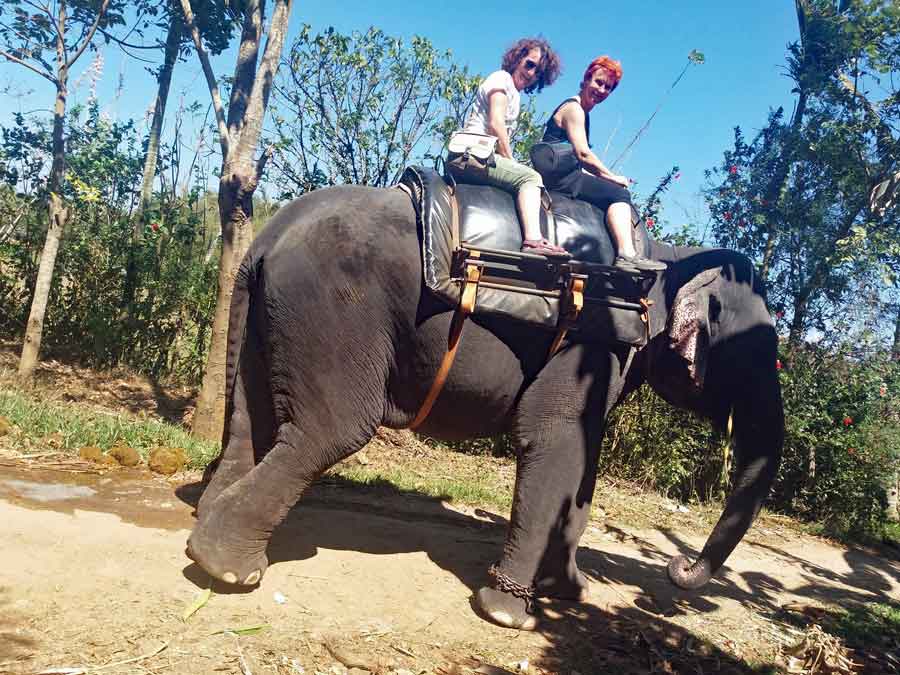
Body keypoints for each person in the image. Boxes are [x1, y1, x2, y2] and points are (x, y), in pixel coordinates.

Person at [538, 56, 666, 272]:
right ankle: (626, 254)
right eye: (598, 82)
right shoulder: (574, 109)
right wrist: (611, 177)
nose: (602, 90)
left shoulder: (582, 112)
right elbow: (583, 154)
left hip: (565, 174)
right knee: (619, 194)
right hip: (561, 178)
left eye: (608, 87)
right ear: (586, 79)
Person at [452, 37, 567, 257]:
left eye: (538, 72)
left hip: (479, 154)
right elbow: (496, 124)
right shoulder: (501, 79)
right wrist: (511, 160)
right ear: (517, 59)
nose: (531, 73)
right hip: (472, 153)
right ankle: (533, 240)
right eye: (529, 64)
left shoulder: (514, 93)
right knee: (530, 178)